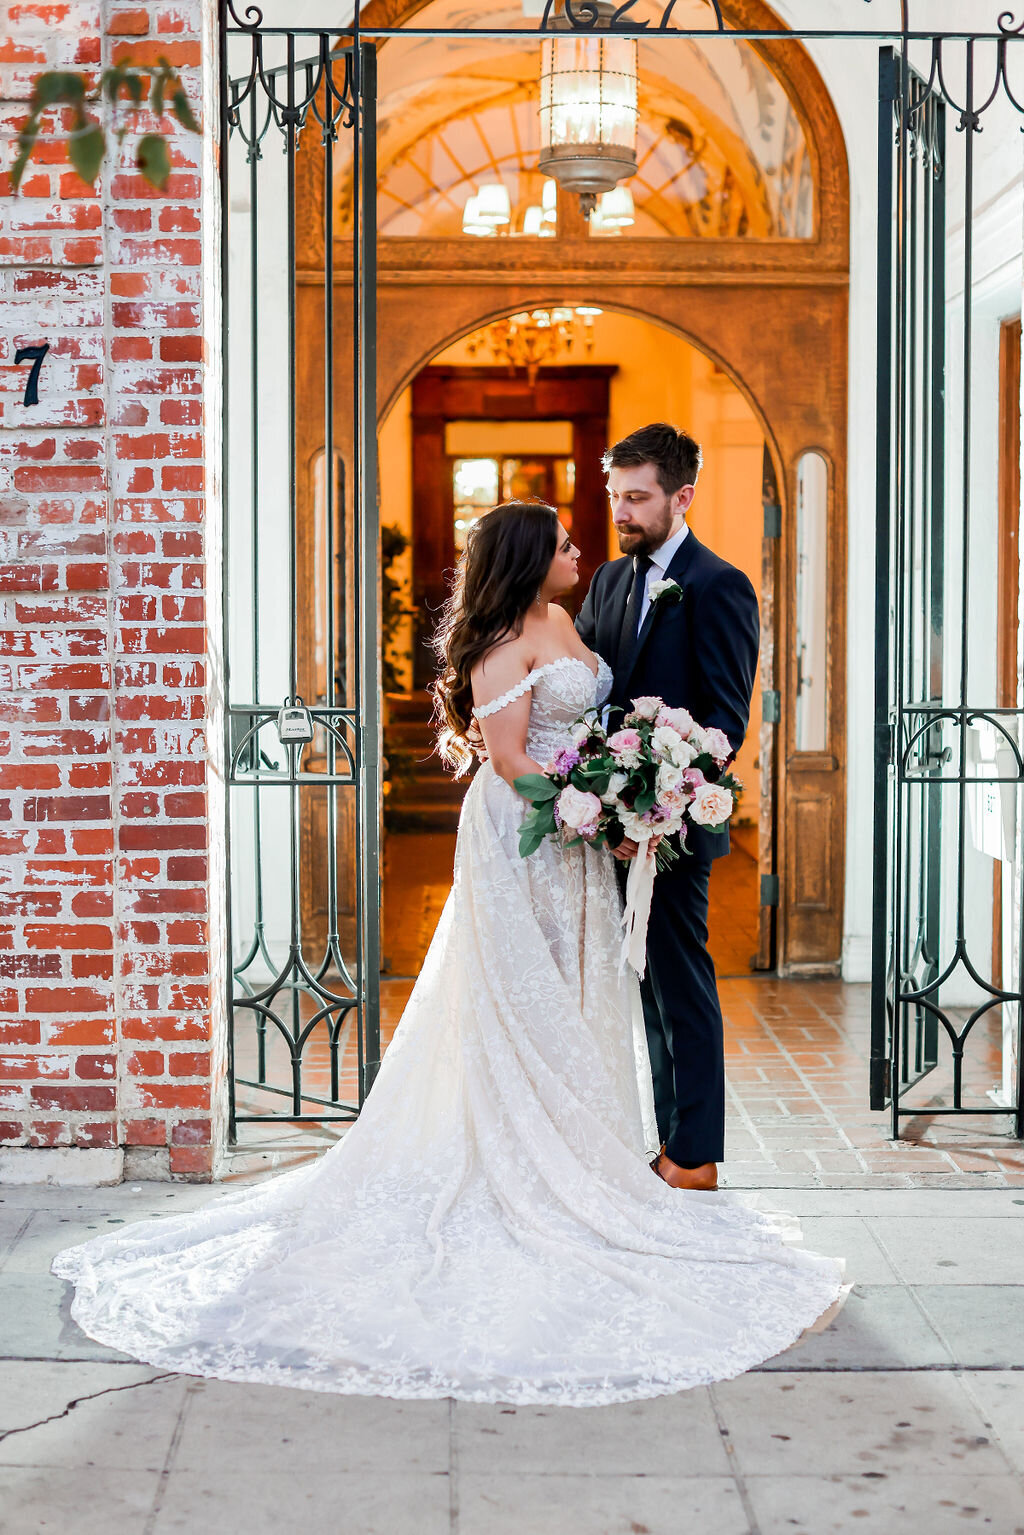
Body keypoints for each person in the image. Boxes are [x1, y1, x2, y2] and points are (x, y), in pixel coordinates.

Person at [50, 500, 842, 1406]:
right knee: (519, 994)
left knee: (577, 989)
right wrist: (599, 810)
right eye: (564, 543)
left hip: (577, 839)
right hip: (527, 835)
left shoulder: (564, 617)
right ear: (528, 557)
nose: (582, 548)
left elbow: (584, 723)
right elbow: (508, 758)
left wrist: (619, 800)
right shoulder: (503, 636)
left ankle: (582, 1150)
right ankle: (520, 1155)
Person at [576, 423, 760, 1195]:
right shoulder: (609, 582)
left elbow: (725, 720)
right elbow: (590, 691)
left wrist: (657, 805)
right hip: (617, 825)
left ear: (682, 496)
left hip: (677, 827)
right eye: (615, 494)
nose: (621, 510)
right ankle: (668, 1143)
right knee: (644, 981)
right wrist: (604, 800)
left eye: (637, 497)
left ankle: (695, 1154)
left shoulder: (720, 585)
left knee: (681, 982)